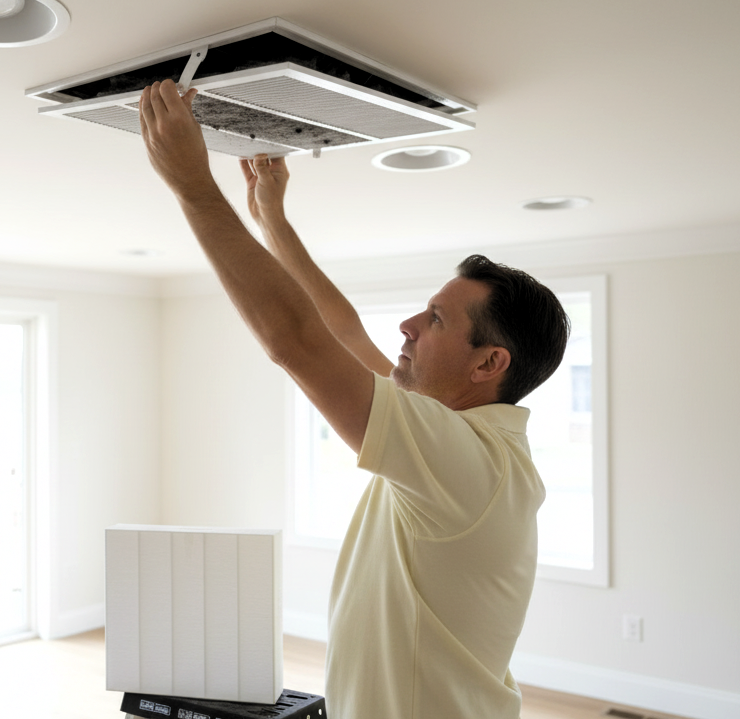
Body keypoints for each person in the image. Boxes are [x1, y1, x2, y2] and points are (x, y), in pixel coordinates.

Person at [139, 79, 570, 719]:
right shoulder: (455, 438)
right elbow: (342, 335)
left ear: (489, 363)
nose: (409, 327)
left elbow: (297, 343)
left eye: (436, 320)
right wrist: (273, 224)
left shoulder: (472, 465)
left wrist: (193, 187)